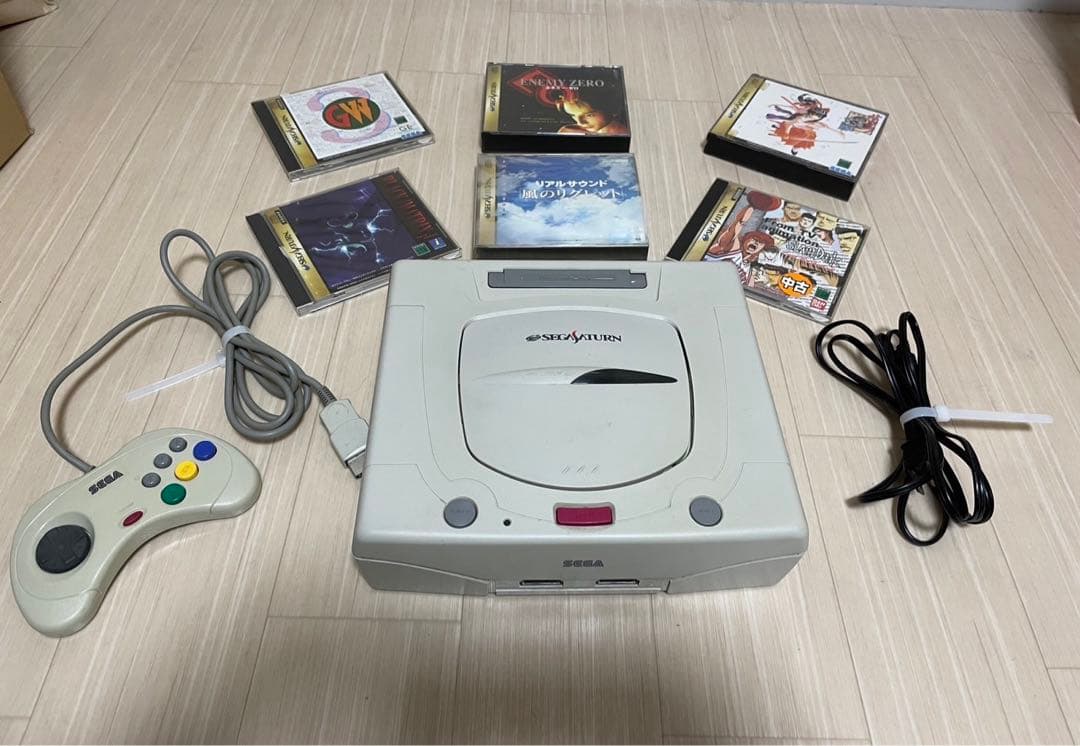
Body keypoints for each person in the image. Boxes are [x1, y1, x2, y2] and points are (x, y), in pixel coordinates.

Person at [555, 90, 629, 136]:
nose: (580, 123)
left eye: (589, 115)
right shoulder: (567, 132)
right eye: (573, 115)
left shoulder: (625, 131)